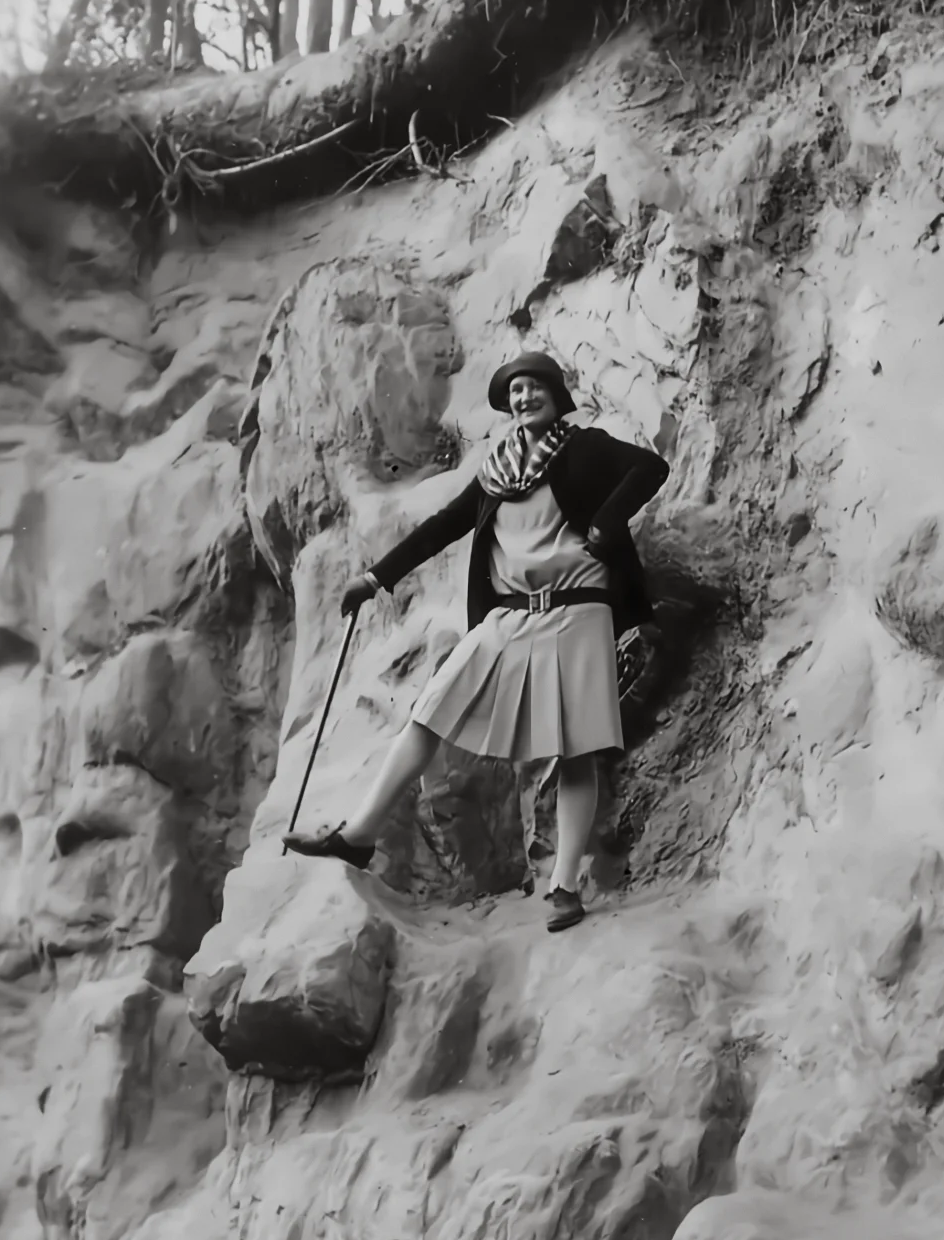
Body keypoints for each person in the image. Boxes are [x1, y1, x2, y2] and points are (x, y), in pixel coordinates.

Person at [284, 351, 670, 932]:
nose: (523, 398)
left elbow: (649, 467)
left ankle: (565, 887)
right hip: (508, 618)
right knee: (428, 712)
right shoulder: (497, 469)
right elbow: (444, 524)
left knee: (577, 750)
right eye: (514, 391)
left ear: (555, 393)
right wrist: (375, 578)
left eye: (533, 387)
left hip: (577, 611)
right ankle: (359, 834)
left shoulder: (585, 446)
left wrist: (607, 522)